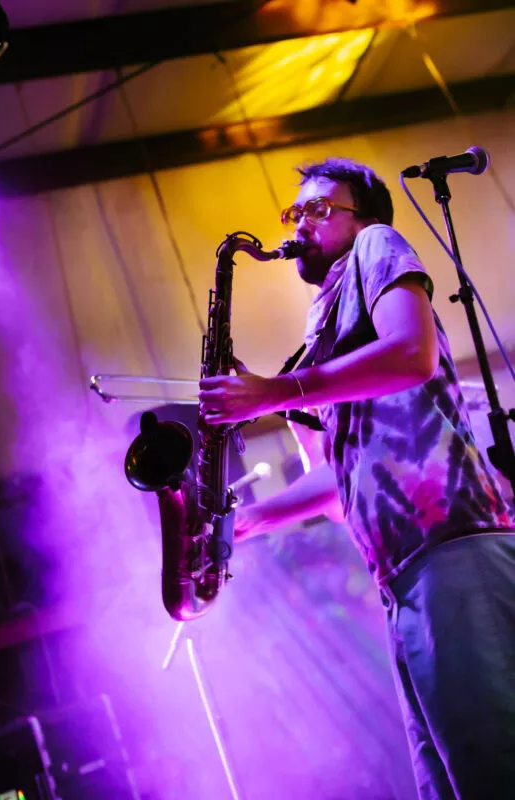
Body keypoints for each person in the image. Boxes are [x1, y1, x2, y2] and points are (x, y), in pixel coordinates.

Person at [198, 157, 515, 799]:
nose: (301, 223)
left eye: (320, 208)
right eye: (297, 212)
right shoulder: (322, 328)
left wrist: (279, 391)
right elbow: (338, 490)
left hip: (454, 546)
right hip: (403, 577)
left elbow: (413, 353)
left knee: (495, 770)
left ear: (361, 216)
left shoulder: (377, 243)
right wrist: (245, 521)